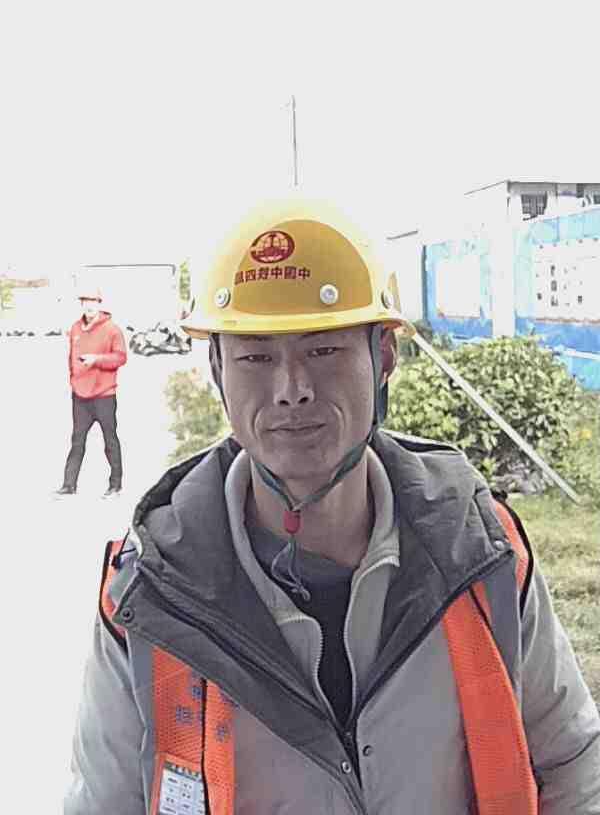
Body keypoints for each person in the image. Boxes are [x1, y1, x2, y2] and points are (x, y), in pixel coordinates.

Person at [65, 198, 600, 813]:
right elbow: (102, 801)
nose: (292, 390)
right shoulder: (151, 589)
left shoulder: (478, 550)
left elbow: (572, 762)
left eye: (323, 351)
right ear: (217, 369)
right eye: (256, 356)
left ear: (383, 358)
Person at [55, 283, 127, 499]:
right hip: (80, 396)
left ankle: (115, 485)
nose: (89, 305)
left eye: (93, 301)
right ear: (81, 304)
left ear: (99, 303)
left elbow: (121, 358)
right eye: (85, 301)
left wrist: (96, 360)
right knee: (77, 441)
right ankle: (69, 485)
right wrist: (73, 381)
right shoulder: (75, 328)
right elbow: (71, 358)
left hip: (104, 395)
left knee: (110, 440)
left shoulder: (112, 329)